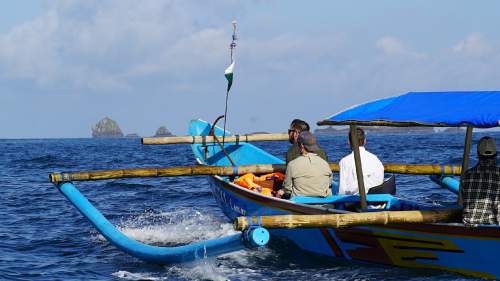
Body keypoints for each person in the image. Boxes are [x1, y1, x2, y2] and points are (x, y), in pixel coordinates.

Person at [277, 131, 333, 198]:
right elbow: (329, 184)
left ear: (301, 145)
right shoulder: (325, 164)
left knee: (280, 193)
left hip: (300, 203)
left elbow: (287, 189)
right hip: (325, 203)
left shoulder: (292, 165)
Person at [462, 136, 500, 226]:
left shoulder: (467, 174)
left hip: (468, 224)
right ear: (496, 154)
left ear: (478, 155)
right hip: (490, 227)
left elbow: (464, 199)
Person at [338, 128, 384, 195]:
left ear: (349, 142)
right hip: (378, 201)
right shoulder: (375, 159)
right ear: (365, 141)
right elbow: (380, 181)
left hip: (355, 202)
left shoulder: (344, 161)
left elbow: (342, 190)